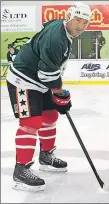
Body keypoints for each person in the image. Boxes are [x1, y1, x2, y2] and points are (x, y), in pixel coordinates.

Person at [5, 2, 92, 192]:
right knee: (31, 122)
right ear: (69, 16)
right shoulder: (57, 38)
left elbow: (48, 72)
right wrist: (61, 95)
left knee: (50, 116)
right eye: (78, 20)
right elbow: (48, 73)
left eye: (85, 23)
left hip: (39, 81)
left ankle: (46, 156)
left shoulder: (64, 31)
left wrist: (59, 95)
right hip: (23, 80)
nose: (81, 26)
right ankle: (21, 170)